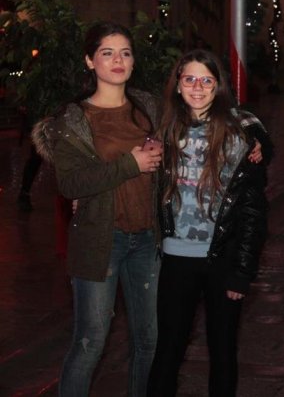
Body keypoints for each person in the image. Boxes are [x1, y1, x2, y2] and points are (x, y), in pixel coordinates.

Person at [32, 22, 164, 397]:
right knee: (90, 342)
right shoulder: (73, 119)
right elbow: (70, 184)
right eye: (107, 53)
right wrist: (130, 164)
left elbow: (192, 131)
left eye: (125, 52)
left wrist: (254, 141)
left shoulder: (149, 107)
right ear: (90, 61)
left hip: (148, 240)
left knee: (149, 340)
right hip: (101, 242)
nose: (117, 60)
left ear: (134, 61)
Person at [147, 49, 269, 397]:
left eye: (206, 80)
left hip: (222, 258)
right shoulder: (162, 129)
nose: (197, 87)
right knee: (168, 348)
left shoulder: (240, 132)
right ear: (177, 85)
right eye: (189, 79)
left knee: (223, 349)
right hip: (175, 257)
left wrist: (242, 270)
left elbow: (253, 209)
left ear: (218, 86)